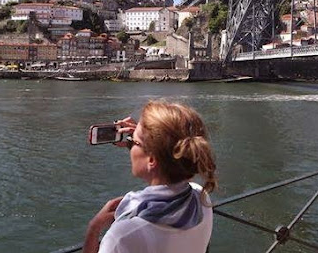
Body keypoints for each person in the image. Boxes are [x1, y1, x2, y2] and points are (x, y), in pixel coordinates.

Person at [83, 100, 217, 253]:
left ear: (152, 159)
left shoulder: (123, 236)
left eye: (134, 142)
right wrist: (144, 141)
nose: (131, 145)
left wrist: (94, 228)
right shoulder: (201, 198)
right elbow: (172, 163)